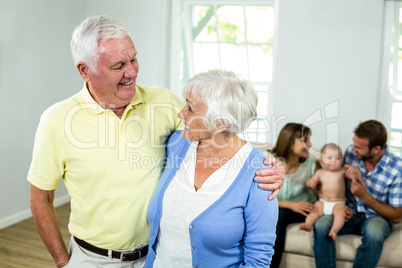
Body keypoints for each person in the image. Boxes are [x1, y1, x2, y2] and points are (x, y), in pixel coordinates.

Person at [27, 15, 284, 268]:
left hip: (150, 256)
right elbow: (40, 198)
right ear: (85, 70)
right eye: (118, 66)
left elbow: (218, 130)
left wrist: (267, 166)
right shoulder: (56, 120)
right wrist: (63, 261)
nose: (132, 72)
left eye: (134, 59)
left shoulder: (164, 103)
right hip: (91, 258)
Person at [145, 69, 278, 268]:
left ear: (221, 123)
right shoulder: (177, 144)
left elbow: (258, 261)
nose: (181, 113)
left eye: (190, 108)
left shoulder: (260, 175)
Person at [313, 120, 402, 268]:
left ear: (376, 149)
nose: (352, 149)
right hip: (347, 212)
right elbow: (330, 171)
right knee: (322, 225)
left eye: (358, 147)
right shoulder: (351, 153)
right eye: (353, 144)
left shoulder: (397, 169)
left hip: (376, 217)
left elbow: (397, 216)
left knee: (374, 233)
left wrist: (365, 196)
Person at [269, 123, 319, 268]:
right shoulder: (269, 162)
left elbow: (325, 194)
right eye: (305, 140)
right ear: (289, 142)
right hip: (281, 209)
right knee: (279, 213)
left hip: (304, 211)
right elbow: (259, 197)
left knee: (281, 215)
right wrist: (291, 204)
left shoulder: (312, 164)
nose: (310, 144)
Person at [299, 143, 346, 241]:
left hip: (338, 203)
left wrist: (354, 172)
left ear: (342, 160)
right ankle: (308, 224)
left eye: (337, 158)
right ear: (321, 161)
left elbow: (352, 175)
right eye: (329, 158)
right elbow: (309, 182)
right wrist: (311, 182)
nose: (334, 160)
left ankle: (334, 230)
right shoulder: (320, 172)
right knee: (315, 209)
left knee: (341, 213)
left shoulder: (342, 171)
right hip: (323, 202)